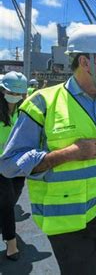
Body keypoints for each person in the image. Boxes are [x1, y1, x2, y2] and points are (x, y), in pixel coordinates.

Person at [0, 25, 96, 275]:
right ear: (85, 62)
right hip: (68, 222)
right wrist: (68, 153)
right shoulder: (44, 103)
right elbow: (9, 164)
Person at [0, 71, 27, 261]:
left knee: (16, 193)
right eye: (12, 92)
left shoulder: (23, 110)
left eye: (19, 94)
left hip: (18, 162)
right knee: (7, 201)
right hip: (0, 164)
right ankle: (11, 244)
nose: (15, 97)